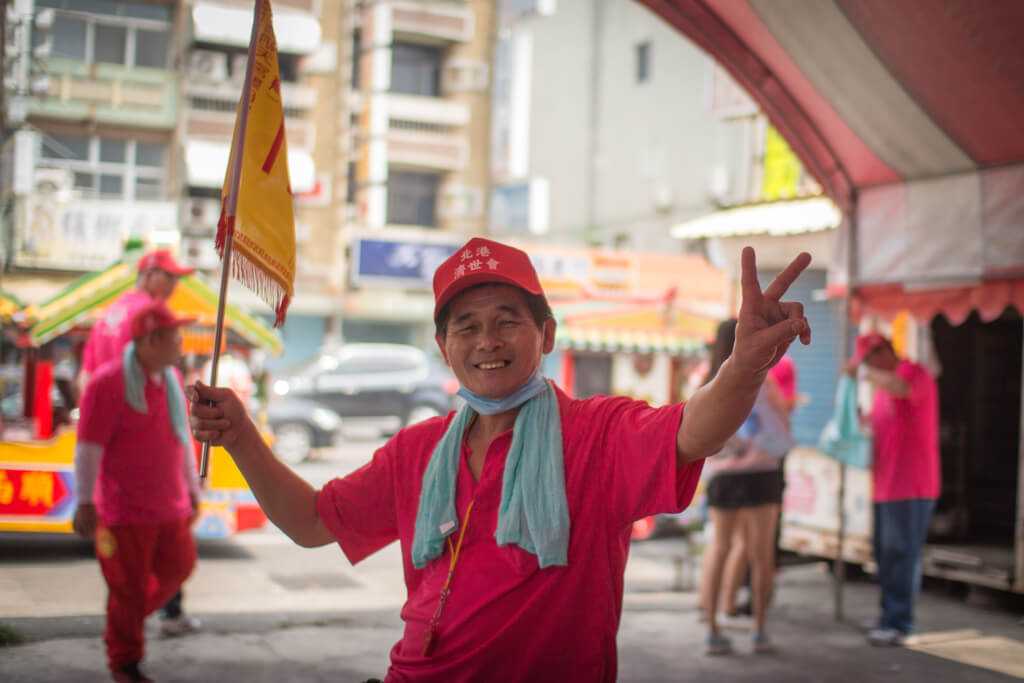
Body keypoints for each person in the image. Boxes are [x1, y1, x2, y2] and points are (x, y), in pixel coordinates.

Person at [189, 238, 812, 681]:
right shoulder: (418, 450)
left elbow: (694, 432)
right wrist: (242, 435)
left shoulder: (596, 434)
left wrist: (743, 367)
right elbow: (313, 523)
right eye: (466, 326)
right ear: (443, 346)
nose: (487, 340)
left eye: (507, 320)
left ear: (546, 334)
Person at [72, 300, 201, 683]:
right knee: (126, 589)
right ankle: (124, 661)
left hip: (170, 507)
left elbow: (181, 440)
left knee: (180, 566)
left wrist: (192, 489)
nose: (181, 343)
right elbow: (88, 448)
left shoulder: (173, 382)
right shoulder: (108, 383)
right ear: (149, 340)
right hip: (124, 514)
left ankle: (125, 619)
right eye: (174, 336)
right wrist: (84, 501)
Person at [698, 319, 790, 655]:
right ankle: (760, 630)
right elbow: (783, 425)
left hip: (723, 475)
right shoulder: (763, 380)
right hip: (762, 473)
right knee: (761, 553)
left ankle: (711, 630)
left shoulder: (707, 383)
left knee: (719, 548)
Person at [844, 331, 939, 646]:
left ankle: (900, 623)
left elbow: (903, 389)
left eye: (870, 360)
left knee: (902, 554)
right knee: (885, 554)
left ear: (883, 353)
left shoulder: (913, 373)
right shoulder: (881, 387)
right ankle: (888, 616)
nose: (868, 367)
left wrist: (865, 374)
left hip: (912, 485)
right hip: (885, 484)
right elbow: (877, 421)